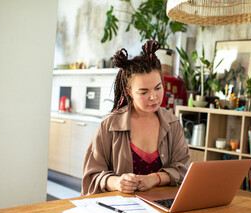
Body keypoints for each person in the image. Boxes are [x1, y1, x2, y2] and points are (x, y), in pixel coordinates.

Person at [81, 40, 190, 195]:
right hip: (120, 210)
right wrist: (117, 182)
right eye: (144, 92)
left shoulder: (172, 123)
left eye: (158, 88)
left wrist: (154, 178)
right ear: (129, 92)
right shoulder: (109, 126)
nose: (153, 97)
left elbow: (182, 169)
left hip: (163, 207)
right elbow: (92, 175)